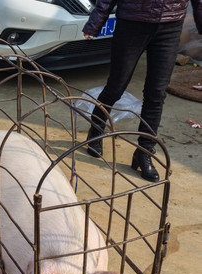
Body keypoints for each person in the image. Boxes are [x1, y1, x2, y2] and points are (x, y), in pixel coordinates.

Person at [83, 0, 202, 182]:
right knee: (116, 87)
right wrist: (95, 22)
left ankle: (144, 152)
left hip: (170, 26)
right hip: (132, 23)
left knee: (156, 94)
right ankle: (96, 131)